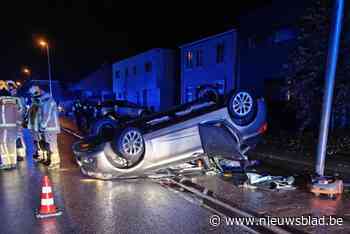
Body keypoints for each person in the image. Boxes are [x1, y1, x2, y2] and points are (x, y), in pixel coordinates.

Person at [28, 85, 61, 169]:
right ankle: (53, 161)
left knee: (52, 145)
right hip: (48, 127)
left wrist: (42, 126)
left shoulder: (47, 101)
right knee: (49, 145)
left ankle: (55, 163)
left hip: (50, 127)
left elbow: (46, 115)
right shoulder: (45, 101)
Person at [0, 81, 22, 169]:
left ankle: (6, 163)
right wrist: (19, 128)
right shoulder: (14, 104)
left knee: (2, 144)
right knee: (11, 144)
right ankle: (13, 162)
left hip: (3, 127)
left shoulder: (1, 104)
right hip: (12, 127)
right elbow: (19, 117)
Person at [7, 80, 27, 161]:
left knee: (18, 137)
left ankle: (21, 154)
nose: (11, 90)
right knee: (13, 137)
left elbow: (22, 109)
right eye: (10, 89)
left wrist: (19, 119)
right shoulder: (10, 98)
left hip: (17, 121)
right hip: (12, 122)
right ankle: (17, 153)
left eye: (12, 89)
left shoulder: (19, 98)